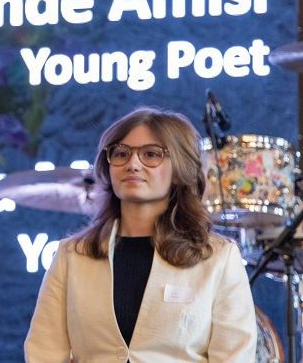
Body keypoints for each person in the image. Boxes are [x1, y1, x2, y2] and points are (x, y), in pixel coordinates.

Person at [24, 107, 256, 362]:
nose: (133, 164)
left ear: (179, 170)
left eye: (151, 154)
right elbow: (43, 354)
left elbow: (235, 356)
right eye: (121, 153)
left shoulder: (218, 258)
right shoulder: (71, 255)